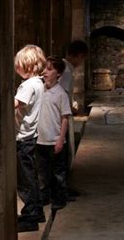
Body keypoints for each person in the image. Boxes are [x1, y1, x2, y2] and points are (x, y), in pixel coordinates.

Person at [14, 45, 47, 232]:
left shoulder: (28, 85)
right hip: (31, 136)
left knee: (25, 180)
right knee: (31, 176)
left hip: (22, 138)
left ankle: (30, 217)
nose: (16, 68)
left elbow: (16, 103)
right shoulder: (39, 83)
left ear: (29, 66)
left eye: (19, 65)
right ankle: (38, 211)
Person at [37, 56, 72, 211]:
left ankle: (60, 198)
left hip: (55, 140)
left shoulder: (61, 93)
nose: (45, 72)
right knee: (42, 172)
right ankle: (44, 196)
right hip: (40, 140)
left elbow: (65, 118)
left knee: (58, 173)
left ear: (58, 74)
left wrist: (60, 140)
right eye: (45, 68)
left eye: (49, 69)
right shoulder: (40, 90)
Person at [58, 40, 87, 174]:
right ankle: (62, 187)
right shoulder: (66, 72)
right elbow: (61, 95)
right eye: (83, 58)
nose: (82, 62)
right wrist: (71, 107)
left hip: (62, 113)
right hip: (61, 116)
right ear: (79, 55)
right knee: (64, 151)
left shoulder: (63, 67)